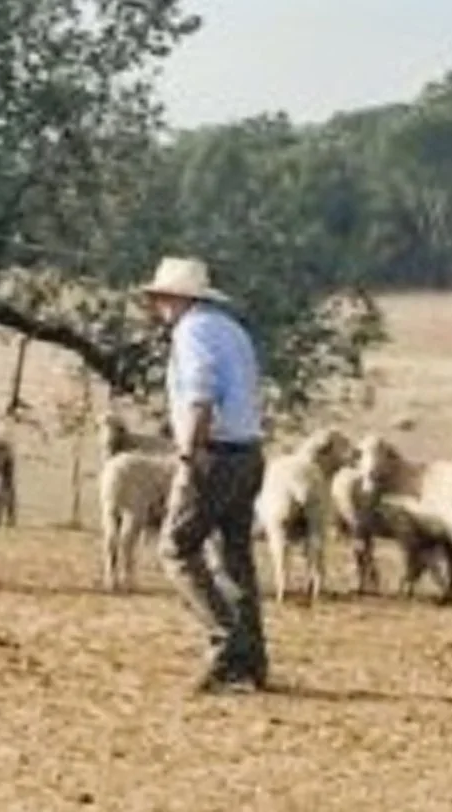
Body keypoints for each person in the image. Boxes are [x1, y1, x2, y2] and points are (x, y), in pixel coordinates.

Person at [142, 254, 270, 694]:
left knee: (176, 548)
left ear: (175, 298)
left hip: (213, 453)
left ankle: (225, 646)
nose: (157, 307)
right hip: (248, 451)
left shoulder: (191, 331)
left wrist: (187, 454)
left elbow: (200, 394)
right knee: (234, 556)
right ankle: (251, 662)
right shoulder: (232, 329)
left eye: (160, 299)